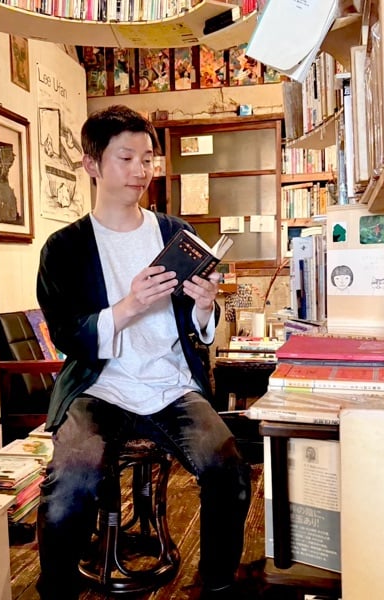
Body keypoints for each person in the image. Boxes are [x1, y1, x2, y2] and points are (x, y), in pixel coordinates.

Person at [35, 105, 251, 600]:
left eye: (148, 158)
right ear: (92, 164)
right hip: (100, 387)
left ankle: (217, 584)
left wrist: (204, 306)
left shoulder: (175, 234)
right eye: (126, 157)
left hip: (170, 384)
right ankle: (56, 591)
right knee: (71, 482)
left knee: (228, 468)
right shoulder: (64, 247)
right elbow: (67, 335)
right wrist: (129, 305)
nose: (141, 170)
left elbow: (198, 328)